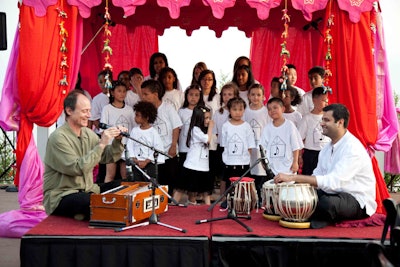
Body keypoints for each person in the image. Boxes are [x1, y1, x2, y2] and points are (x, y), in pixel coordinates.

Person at [274, 103, 377, 229]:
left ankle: (315, 218)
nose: (321, 123)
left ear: (340, 122)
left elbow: (333, 182)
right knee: (300, 194)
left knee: (327, 203)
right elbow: (317, 177)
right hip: (332, 193)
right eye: (322, 119)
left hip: (356, 200)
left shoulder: (352, 148)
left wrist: (293, 178)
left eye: (326, 120)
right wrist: (291, 188)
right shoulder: (326, 148)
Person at [43, 90, 127, 221]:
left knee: (124, 186)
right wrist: (102, 143)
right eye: (84, 111)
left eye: (89, 111)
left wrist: (117, 141)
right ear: (69, 111)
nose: (89, 115)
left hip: (88, 190)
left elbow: (108, 157)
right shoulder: (58, 138)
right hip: (63, 195)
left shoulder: (88, 133)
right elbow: (78, 168)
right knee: (89, 201)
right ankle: (84, 214)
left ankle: (83, 214)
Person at [140, 79, 182, 196]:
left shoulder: (168, 108)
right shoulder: (146, 112)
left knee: (169, 183)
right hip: (152, 156)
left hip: (168, 153)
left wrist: (174, 145)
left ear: (155, 94)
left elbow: (176, 127)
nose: (143, 97)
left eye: (146, 94)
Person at [173, 106, 214, 205]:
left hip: (203, 165)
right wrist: (211, 127)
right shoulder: (195, 129)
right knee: (181, 188)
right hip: (192, 164)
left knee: (205, 190)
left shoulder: (205, 130)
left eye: (209, 118)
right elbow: (207, 139)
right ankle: (174, 204)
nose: (208, 121)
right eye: (206, 118)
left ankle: (208, 208)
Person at [220, 97, 256, 209]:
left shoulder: (246, 126)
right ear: (229, 110)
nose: (237, 112)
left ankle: (245, 202)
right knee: (226, 181)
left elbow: (250, 145)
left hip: (243, 162)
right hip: (229, 161)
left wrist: (245, 158)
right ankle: (225, 199)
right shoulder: (226, 126)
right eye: (234, 109)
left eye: (240, 109)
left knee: (243, 184)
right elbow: (223, 144)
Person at [100, 81, 136, 182]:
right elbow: (103, 130)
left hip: (125, 147)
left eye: (124, 91)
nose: (122, 94)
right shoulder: (107, 109)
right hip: (111, 146)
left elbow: (133, 129)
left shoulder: (129, 109)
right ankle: (107, 195)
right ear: (112, 93)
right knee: (110, 175)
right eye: (119, 91)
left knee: (125, 176)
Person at [260, 97, 303, 175]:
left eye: (275, 108)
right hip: (272, 168)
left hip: (288, 168)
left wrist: (295, 162)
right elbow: (263, 147)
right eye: (269, 109)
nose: (272, 111)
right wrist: (264, 162)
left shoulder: (290, 125)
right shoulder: (267, 128)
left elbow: (295, 146)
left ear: (283, 109)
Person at [212, 82, 239, 202]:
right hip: (223, 147)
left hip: (236, 147)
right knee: (224, 175)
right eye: (224, 94)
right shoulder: (219, 113)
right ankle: (222, 198)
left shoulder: (239, 111)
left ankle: (235, 198)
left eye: (230, 94)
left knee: (235, 173)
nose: (227, 97)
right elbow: (216, 131)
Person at [244, 83, 272, 201]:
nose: (255, 97)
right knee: (249, 173)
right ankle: (250, 199)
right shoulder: (245, 111)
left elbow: (269, 127)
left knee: (261, 173)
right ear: (249, 96)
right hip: (248, 149)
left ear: (263, 97)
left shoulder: (266, 111)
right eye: (253, 95)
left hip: (261, 148)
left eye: (258, 95)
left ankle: (261, 199)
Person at [126, 101, 165, 182]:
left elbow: (157, 148)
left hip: (149, 165)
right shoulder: (134, 130)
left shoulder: (153, 132)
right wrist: (134, 159)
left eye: (138, 115)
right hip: (136, 164)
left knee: (149, 185)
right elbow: (130, 146)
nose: (135, 118)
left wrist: (146, 161)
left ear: (146, 117)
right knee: (137, 185)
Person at [297, 86, 330, 175]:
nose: (326, 103)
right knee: (309, 179)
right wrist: (299, 156)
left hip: (325, 153)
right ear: (314, 100)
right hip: (310, 154)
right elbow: (299, 139)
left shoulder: (329, 118)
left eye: (326, 100)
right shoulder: (307, 118)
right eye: (323, 100)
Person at [178, 84, 205, 173]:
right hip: (184, 146)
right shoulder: (181, 111)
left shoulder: (203, 112)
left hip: (197, 147)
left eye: (196, 95)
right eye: (191, 94)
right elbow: (178, 129)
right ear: (186, 96)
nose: (193, 97)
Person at [89, 69, 113, 134]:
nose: (103, 84)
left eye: (106, 81)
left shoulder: (118, 96)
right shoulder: (97, 99)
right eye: (101, 82)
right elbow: (94, 118)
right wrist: (103, 132)